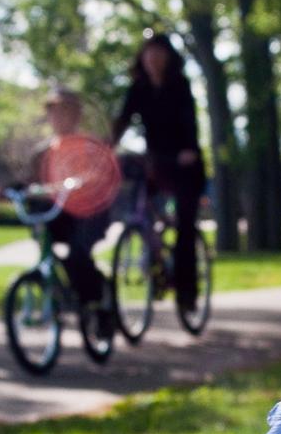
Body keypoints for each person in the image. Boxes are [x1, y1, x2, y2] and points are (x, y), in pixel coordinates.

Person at [111, 32, 207, 312]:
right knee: (139, 210)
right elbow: (122, 121)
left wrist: (188, 150)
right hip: (155, 163)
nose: (153, 59)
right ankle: (155, 268)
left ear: (168, 58)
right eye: (148, 53)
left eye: (158, 54)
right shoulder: (138, 89)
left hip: (184, 164)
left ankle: (186, 293)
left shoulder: (180, 86)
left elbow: (190, 121)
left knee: (185, 227)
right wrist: (108, 147)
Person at [35, 87, 112, 314]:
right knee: (48, 242)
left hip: (90, 214)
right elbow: (31, 180)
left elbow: (98, 174)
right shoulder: (45, 151)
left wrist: (82, 182)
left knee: (78, 254)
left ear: (77, 115)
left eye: (66, 112)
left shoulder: (87, 145)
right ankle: (67, 292)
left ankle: (97, 301)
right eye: (55, 112)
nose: (60, 118)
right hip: (61, 212)